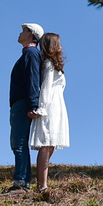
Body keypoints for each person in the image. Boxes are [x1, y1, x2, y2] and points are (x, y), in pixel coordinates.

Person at [29, 32, 69, 194]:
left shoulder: (53, 63)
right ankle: (42, 185)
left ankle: (42, 182)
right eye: (57, 43)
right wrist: (42, 107)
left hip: (57, 106)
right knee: (46, 144)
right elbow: (45, 86)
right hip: (50, 106)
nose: (60, 46)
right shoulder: (48, 64)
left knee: (50, 144)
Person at [5, 22, 42, 192]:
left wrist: (32, 104)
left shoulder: (31, 53)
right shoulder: (28, 53)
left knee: (19, 143)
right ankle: (22, 181)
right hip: (20, 103)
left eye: (24, 31)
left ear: (32, 35)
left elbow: (33, 79)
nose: (20, 33)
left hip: (22, 104)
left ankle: (21, 182)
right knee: (19, 142)